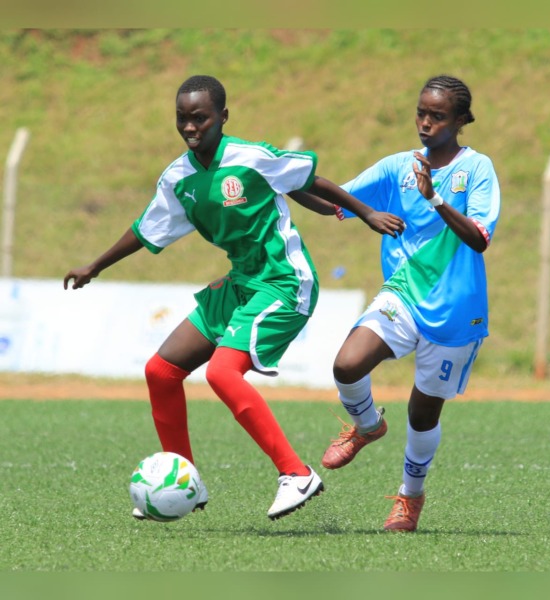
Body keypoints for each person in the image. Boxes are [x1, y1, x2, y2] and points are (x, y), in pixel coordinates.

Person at [63, 75, 401, 522]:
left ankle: (296, 474)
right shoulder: (179, 177)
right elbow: (146, 229)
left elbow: (309, 180)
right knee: (160, 372)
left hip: (283, 281)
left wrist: (366, 213)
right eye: (182, 118)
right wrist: (95, 266)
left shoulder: (249, 157)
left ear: (223, 116)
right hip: (242, 282)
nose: (190, 127)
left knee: (222, 372)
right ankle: (184, 479)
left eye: (200, 118)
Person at [297, 74, 501, 532]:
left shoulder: (478, 169)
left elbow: (479, 238)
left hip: (456, 312)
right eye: (421, 113)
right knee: (348, 364)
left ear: (461, 120)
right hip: (403, 295)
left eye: (437, 116)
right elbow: (333, 203)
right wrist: (282, 182)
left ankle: (410, 497)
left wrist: (436, 197)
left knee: (422, 414)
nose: (425, 123)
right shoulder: (396, 167)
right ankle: (367, 425)